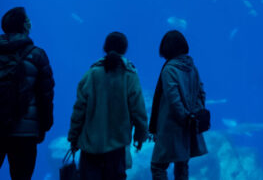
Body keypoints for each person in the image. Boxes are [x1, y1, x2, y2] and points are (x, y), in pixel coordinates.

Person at [0, 7, 55, 180]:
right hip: (24, 132)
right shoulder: (37, 55)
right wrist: (44, 125)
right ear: (25, 26)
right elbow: (45, 95)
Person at [68, 31, 149, 180]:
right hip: (116, 149)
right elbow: (138, 109)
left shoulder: (91, 74)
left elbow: (79, 110)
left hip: (90, 148)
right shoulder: (129, 75)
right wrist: (141, 135)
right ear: (124, 49)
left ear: (105, 47)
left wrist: (73, 137)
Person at [149, 30, 207, 180]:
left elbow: (173, 99)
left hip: (171, 126)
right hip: (188, 126)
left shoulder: (169, 69)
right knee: (182, 165)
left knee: (158, 165)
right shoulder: (192, 67)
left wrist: (183, 117)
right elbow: (201, 93)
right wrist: (192, 116)